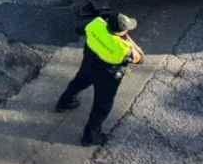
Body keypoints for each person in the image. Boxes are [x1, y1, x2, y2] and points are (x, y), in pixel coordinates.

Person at [55, 13, 144, 146]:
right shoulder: (124, 49)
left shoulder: (96, 24)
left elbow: (80, 29)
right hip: (107, 76)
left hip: (89, 64)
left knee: (78, 82)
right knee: (102, 106)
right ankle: (90, 137)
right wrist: (128, 40)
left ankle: (64, 102)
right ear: (121, 32)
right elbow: (140, 59)